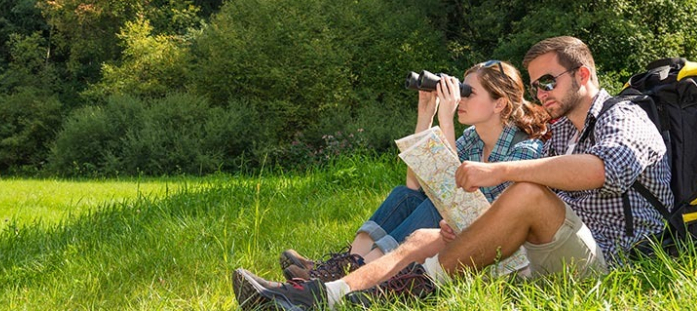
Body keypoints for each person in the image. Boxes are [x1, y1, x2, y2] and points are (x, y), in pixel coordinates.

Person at [232, 36, 673, 310]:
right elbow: (424, 182)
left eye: (548, 82)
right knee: (426, 237)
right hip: (545, 250)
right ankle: (319, 298)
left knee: (526, 192)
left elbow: (604, 169)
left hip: (604, 258)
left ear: (584, 74)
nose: (540, 93)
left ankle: (416, 287)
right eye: (536, 84)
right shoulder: (560, 132)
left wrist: (498, 168)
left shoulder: (625, 117)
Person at [280, 60, 549, 283]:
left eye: (468, 92)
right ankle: (347, 265)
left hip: (498, 255)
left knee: (435, 207)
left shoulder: (525, 149)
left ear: (499, 103)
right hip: (457, 232)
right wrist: (426, 115)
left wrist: (446, 118)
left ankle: (355, 276)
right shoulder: (473, 138)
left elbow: (456, 202)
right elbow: (416, 182)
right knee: (405, 195)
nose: (460, 99)